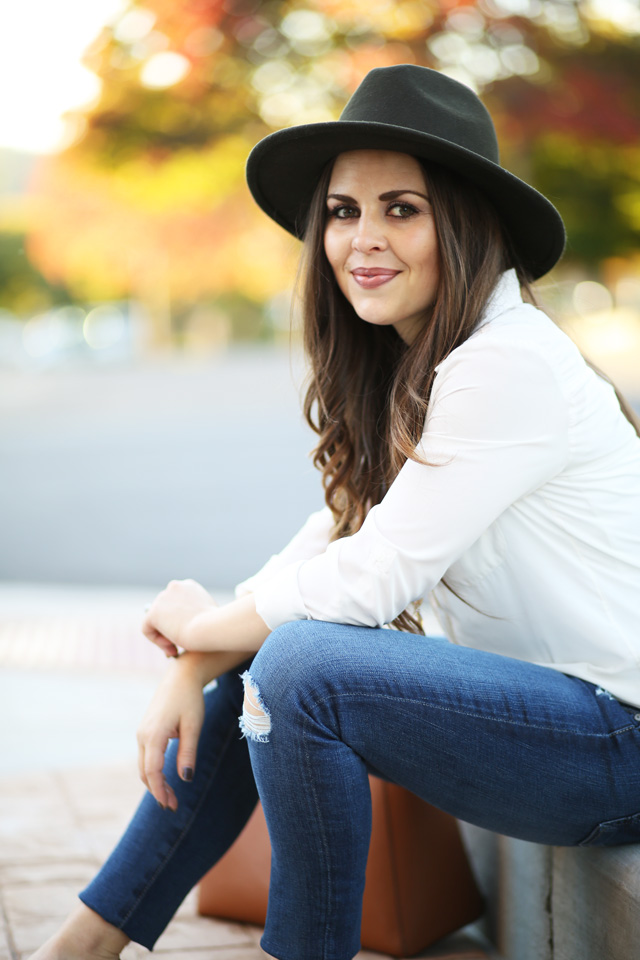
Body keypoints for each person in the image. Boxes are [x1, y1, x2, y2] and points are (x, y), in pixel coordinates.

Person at [32, 64, 640, 960]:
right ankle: (84, 941)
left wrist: (202, 626)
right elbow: (323, 550)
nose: (363, 237)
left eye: (402, 208)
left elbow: (368, 579)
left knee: (305, 664)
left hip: (616, 743)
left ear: (464, 225)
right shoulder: (421, 367)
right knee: (263, 673)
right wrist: (198, 655)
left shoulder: (507, 363)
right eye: (345, 211)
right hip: (554, 727)